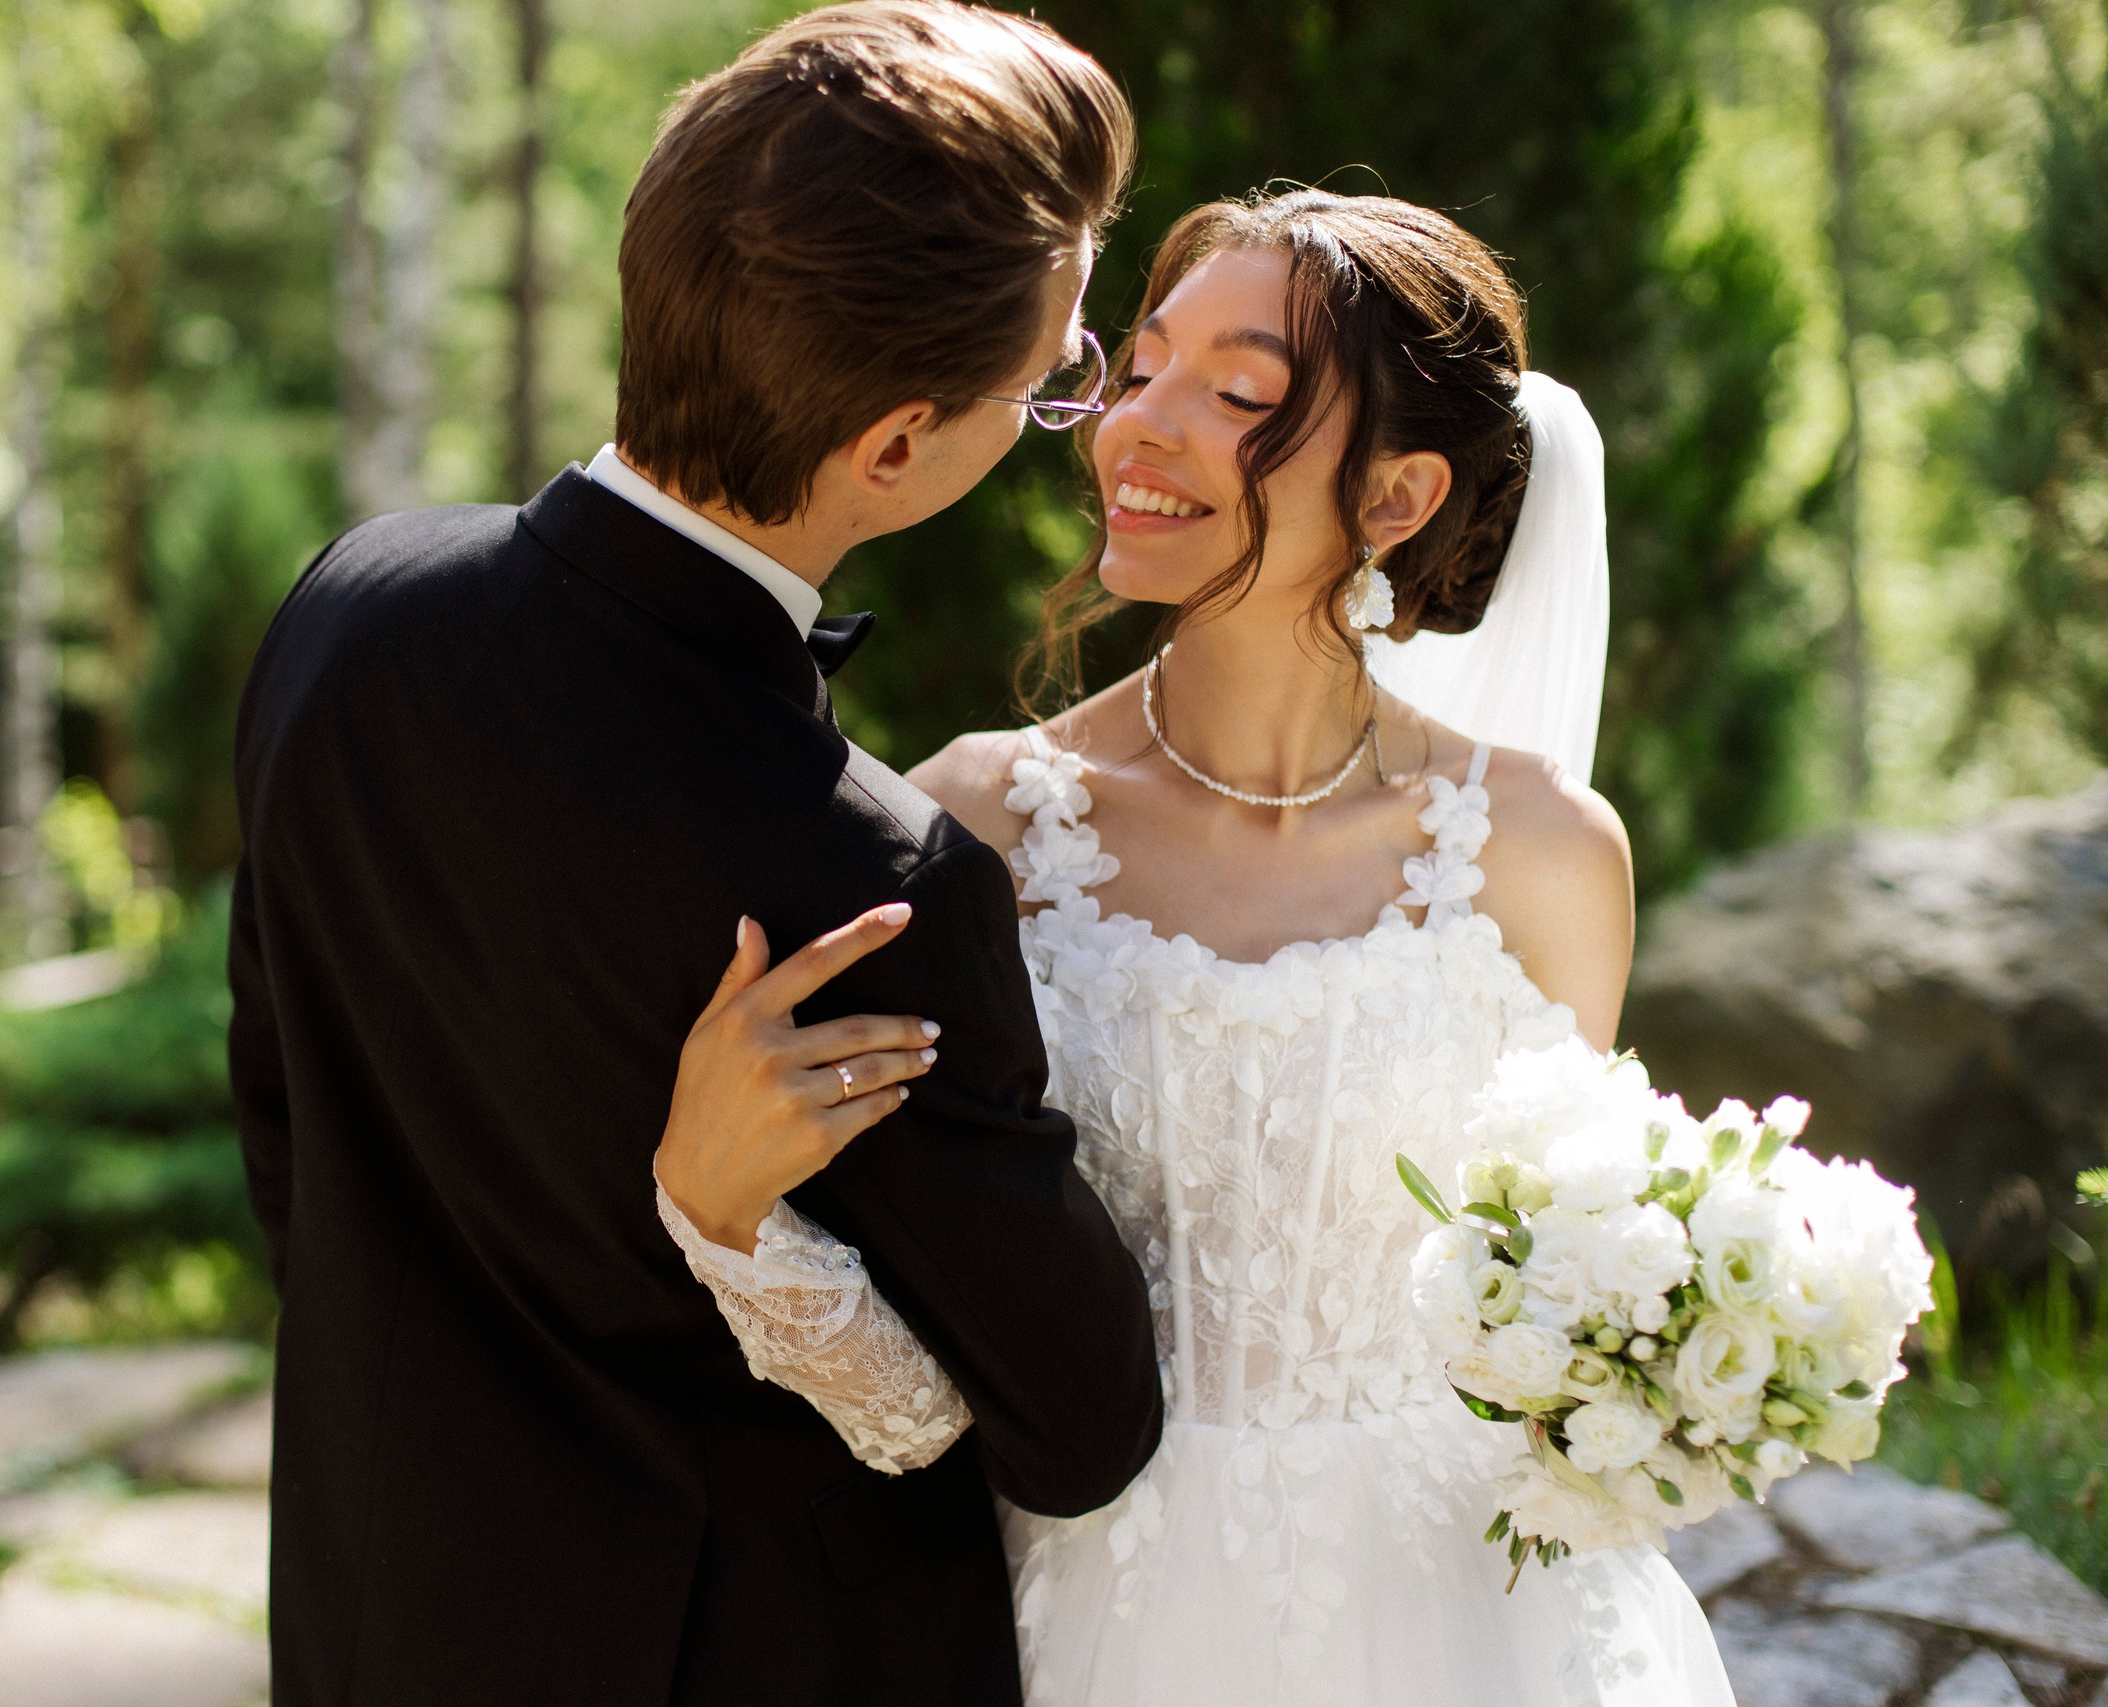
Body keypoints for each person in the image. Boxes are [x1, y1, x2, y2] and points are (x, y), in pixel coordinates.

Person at [652, 190, 1740, 1704]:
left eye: (1233, 396)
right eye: (1140, 368)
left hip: (1479, 1624)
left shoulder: (1550, 855)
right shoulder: (981, 819)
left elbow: (1560, 1315)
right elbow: (930, 1404)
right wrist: (725, 1216)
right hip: (1091, 1607)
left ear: (1400, 496)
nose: (1133, 431)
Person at [226, 6, 1163, 1704]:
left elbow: (295, 1137)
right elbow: (1083, 1422)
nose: (1076, 406)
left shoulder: (345, 608)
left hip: (382, 1612)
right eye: (1054, 384)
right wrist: (720, 1232)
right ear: (892, 445)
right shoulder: (874, 881)